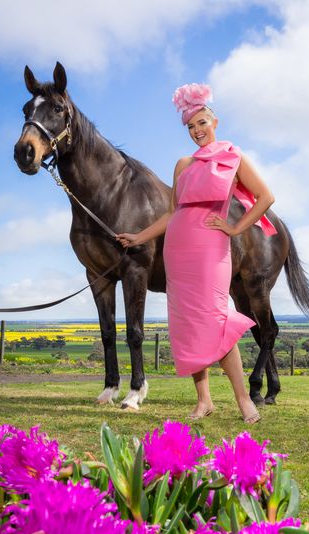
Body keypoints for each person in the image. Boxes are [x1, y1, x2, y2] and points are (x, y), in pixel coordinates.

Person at [116, 83, 276, 424]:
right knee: (188, 324)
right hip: (179, 249)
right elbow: (172, 213)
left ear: (214, 121)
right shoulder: (182, 164)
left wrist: (235, 229)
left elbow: (265, 198)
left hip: (211, 247)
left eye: (201, 123)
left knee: (215, 320)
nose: (196, 131)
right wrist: (138, 237)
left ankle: (243, 399)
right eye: (190, 127)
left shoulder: (234, 157)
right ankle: (204, 400)